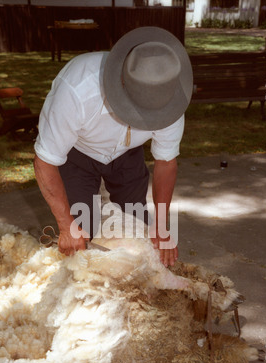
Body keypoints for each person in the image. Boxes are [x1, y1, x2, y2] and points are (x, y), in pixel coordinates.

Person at [34, 26, 193, 267]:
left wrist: (161, 226)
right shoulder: (78, 89)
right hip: (78, 153)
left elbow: (166, 162)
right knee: (80, 236)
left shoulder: (170, 98)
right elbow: (45, 162)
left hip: (127, 155)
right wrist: (66, 226)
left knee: (140, 235)